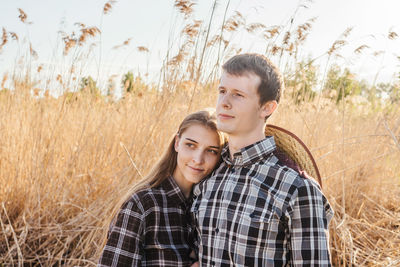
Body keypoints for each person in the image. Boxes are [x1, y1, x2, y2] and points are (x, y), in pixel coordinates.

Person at [191, 54, 334, 266]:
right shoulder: (207, 173)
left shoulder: (297, 188)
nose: (224, 103)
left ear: (267, 108)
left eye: (238, 95)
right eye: (222, 91)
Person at [98, 109, 225, 267]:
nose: (198, 159)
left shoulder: (211, 207)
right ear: (177, 143)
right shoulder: (142, 205)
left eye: (211, 151)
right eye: (191, 145)